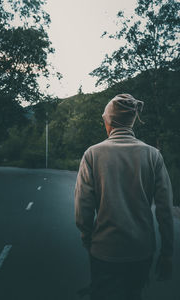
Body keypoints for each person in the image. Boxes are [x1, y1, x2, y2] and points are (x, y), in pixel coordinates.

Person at [75, 94, 174, 300]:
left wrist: (88, 239)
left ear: (109, 121)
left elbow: (83, 206)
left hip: (104, 250)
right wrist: (167, 253)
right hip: (141, 250)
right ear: (131, 121)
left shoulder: (92, 154)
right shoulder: (152, 155)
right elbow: (165, 209)